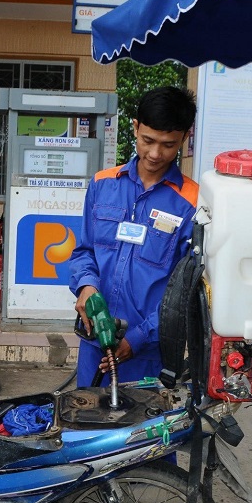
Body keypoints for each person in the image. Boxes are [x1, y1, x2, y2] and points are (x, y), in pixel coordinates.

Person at [68, 86, 198, 387]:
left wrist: (138, 338)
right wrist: (86, 286)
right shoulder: (102, 184)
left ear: (184, 138)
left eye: (168, 145)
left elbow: (185, 290)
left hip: (150, 352)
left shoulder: (192, 202)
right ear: (136, 127)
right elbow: (85, 250)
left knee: (143, 432)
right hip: (94, 341)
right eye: (147, 140)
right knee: (87, 423)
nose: (155, 154)